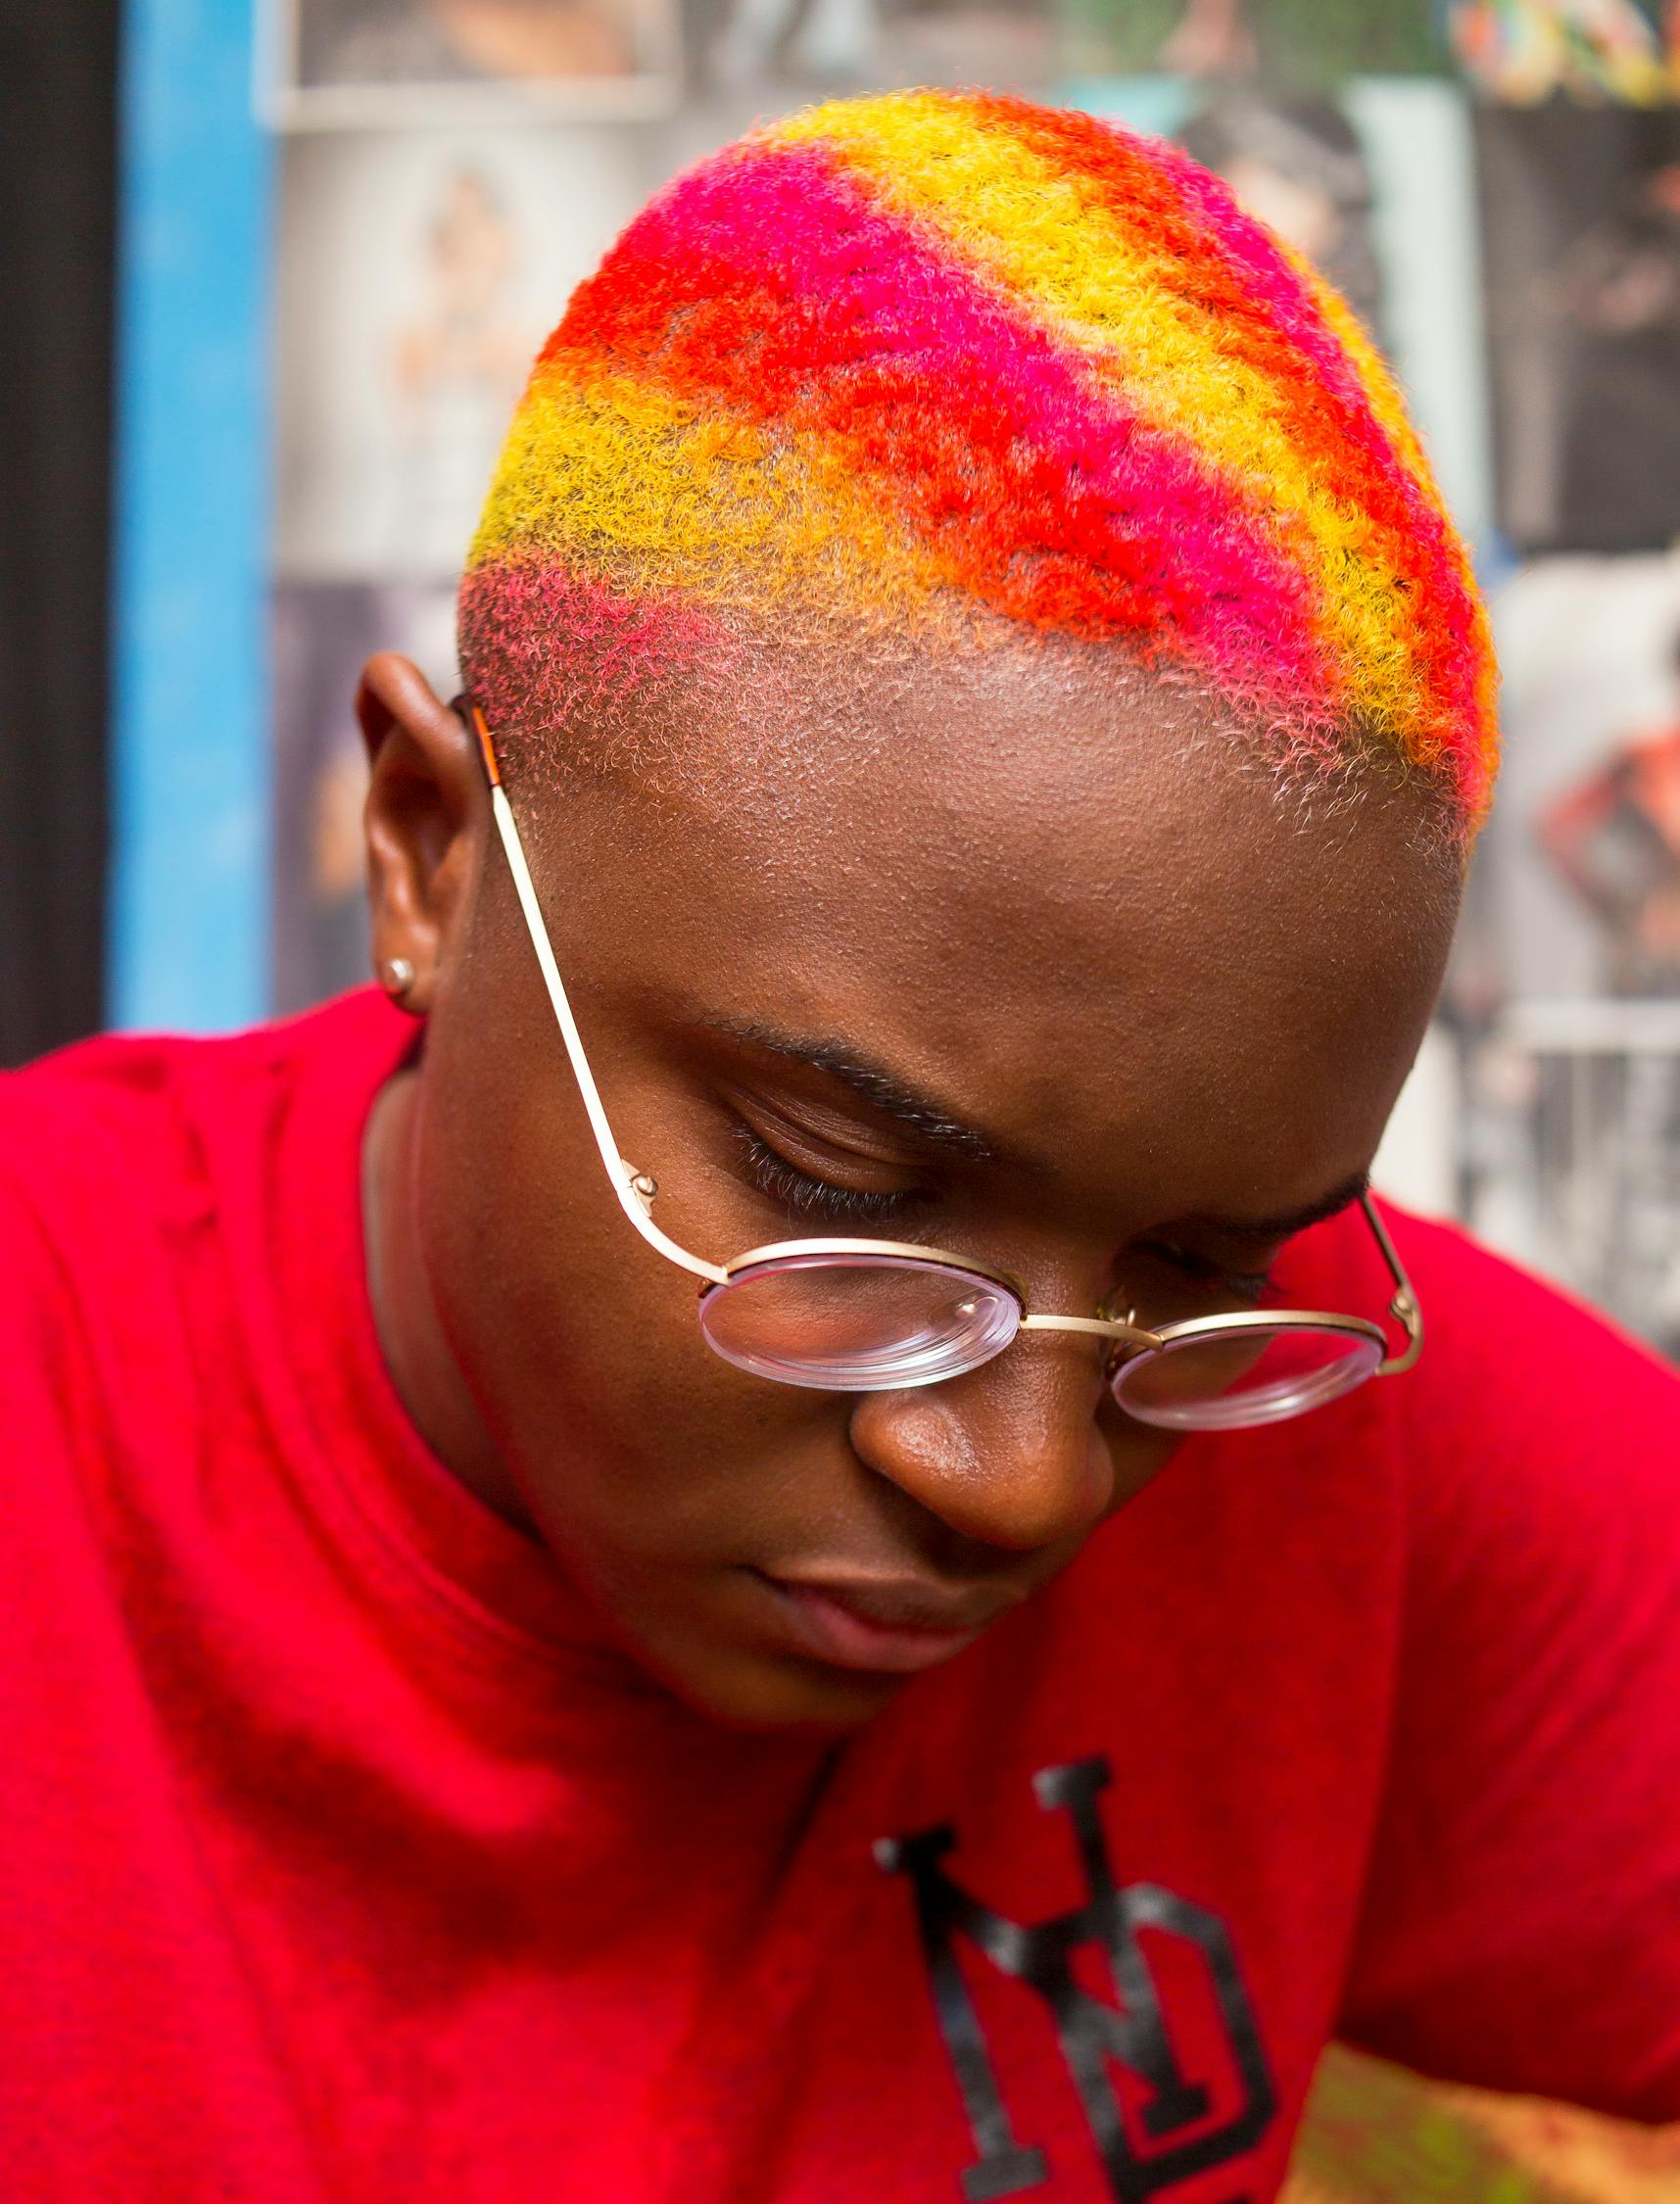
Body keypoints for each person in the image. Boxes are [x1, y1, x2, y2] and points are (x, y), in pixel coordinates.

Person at [3, 88, 1678, 2203]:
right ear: (430, 854)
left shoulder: (1320, 1428)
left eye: (1198, 1263)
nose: (1026, 1478)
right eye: (838, 1187)